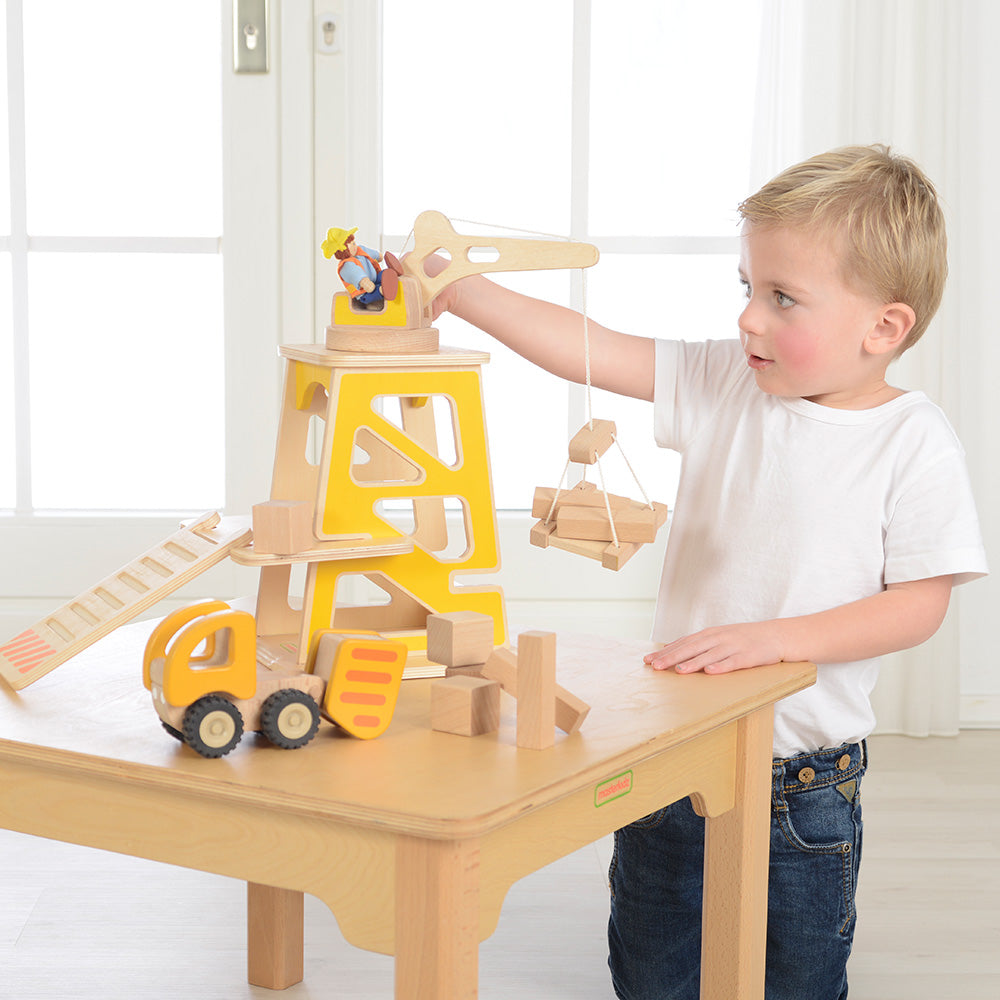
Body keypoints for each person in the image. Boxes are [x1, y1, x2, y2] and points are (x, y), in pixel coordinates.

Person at [427, 145, 988, 1000]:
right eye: (747, 289)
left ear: (884, 328)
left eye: (783, 298)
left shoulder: (911, 442)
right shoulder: (727, 382)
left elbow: (917, 605)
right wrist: (457, 285)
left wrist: (778, 641)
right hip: (676, 756)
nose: (749, 320)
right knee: (654, 966)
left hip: (803, 779)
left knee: (797, 977)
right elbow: (589, 348)